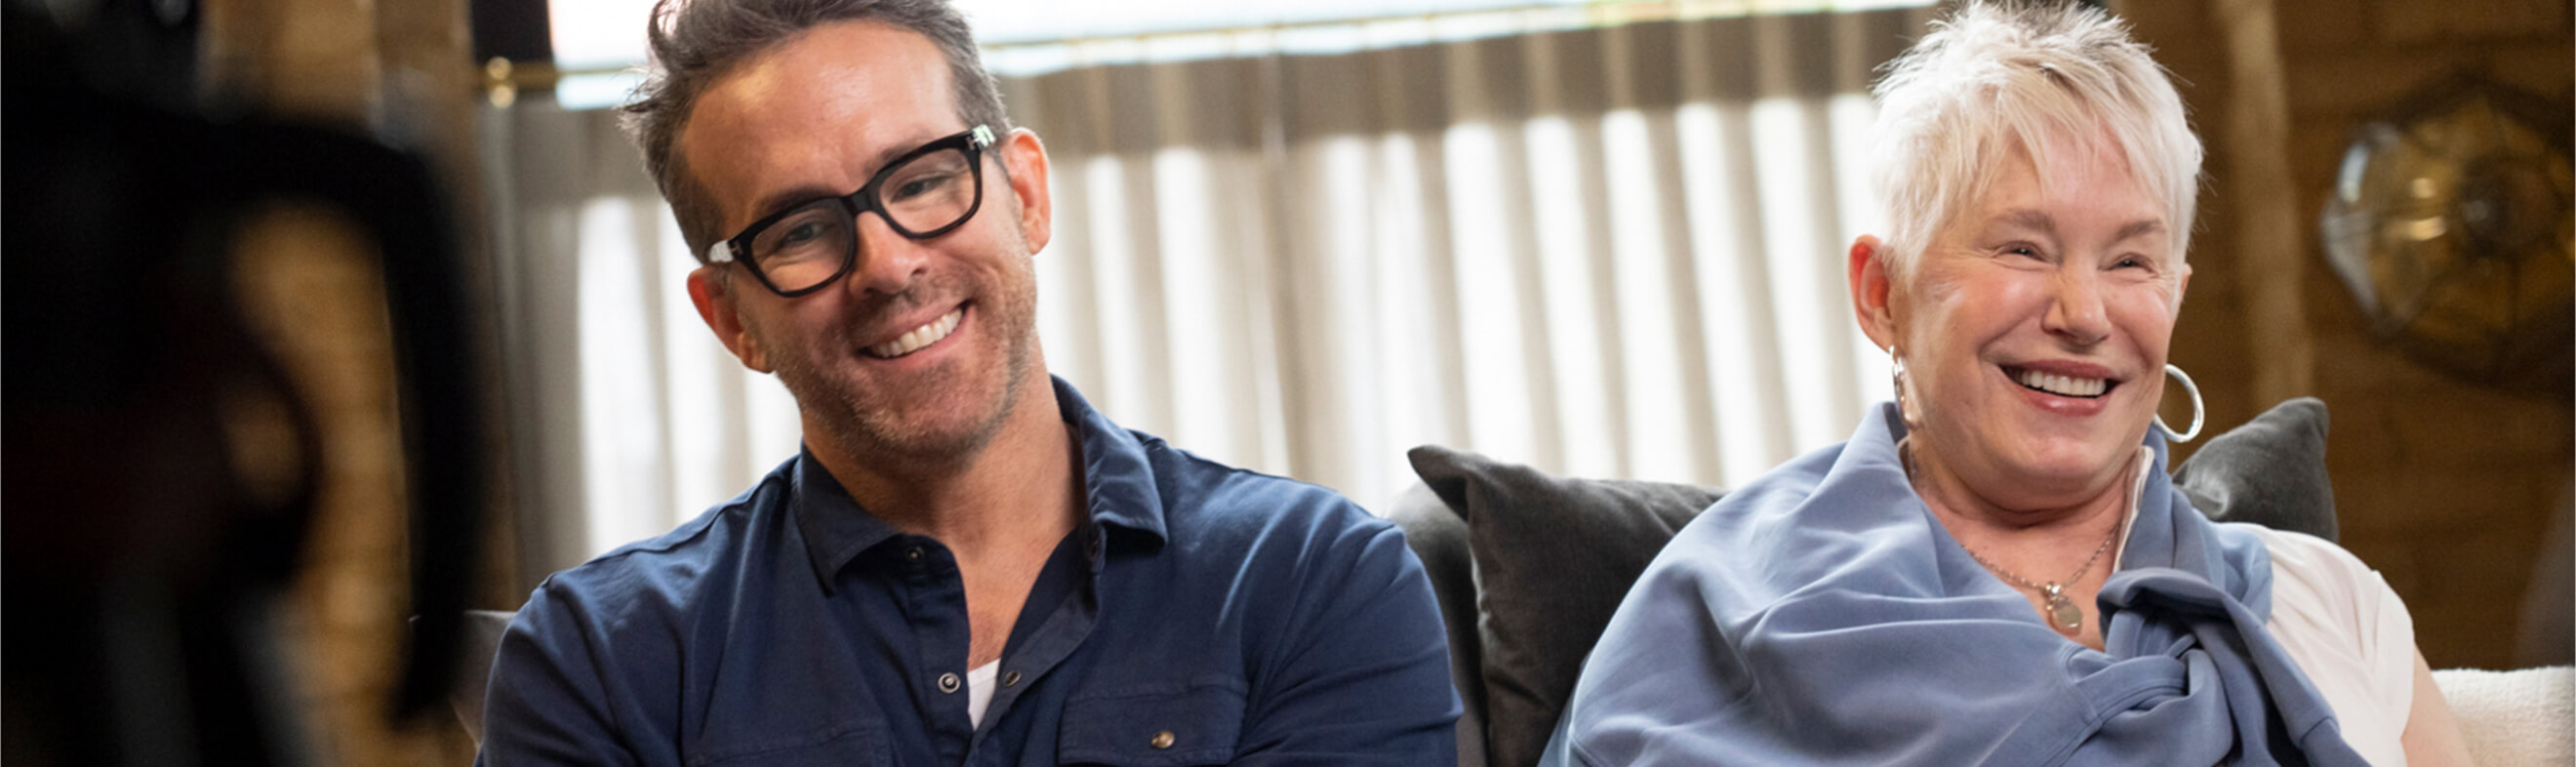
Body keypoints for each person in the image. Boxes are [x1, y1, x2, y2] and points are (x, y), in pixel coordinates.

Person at [474, 0, 1461, 763]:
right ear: (734, 318)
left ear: (1023, 194)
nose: (889, 265)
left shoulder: (1315, 583)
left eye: (921, 178)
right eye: (802, 230)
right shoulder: (599, 664)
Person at [1539, 3, 2474, 765]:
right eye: (2022, 247)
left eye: (2131, 261)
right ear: (1883, 294)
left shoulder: (2329, 601)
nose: (2084, 312)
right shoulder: (1727, 614)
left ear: (2175, 298)